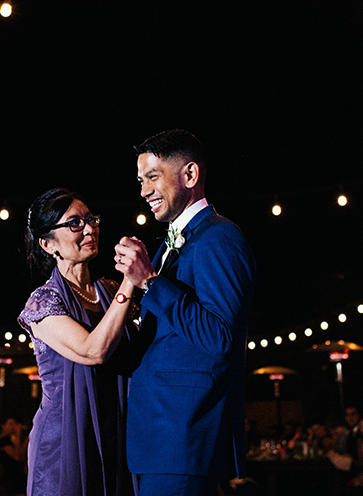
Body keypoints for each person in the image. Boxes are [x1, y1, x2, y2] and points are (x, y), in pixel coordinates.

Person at [114, 129, 256, 496]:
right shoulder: (167, 247)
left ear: (190, 176)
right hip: (156, 439)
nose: (144, 190)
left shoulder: (220, 238)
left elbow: (221, 337)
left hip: (184, 437)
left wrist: (150, 282)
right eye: (141, 179)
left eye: (153, 177)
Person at [18, 188, 139, 496]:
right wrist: (130, 280)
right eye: (74, 223)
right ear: (48, 244)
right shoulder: (43, 302)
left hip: (116, 430)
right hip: (66, 440)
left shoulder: (110, 292)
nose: (89, 228)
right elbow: (92, 350)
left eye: (90, 219)